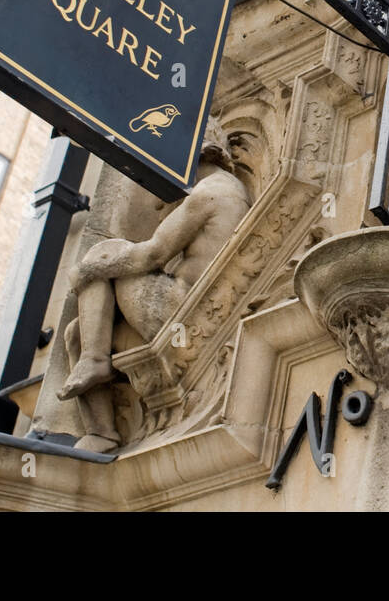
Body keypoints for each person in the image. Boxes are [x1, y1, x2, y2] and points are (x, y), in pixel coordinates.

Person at [57, 117, 251, 452]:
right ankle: (102, 431)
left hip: (187, 315)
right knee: (76, 332)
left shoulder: (212, 191)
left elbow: (151, 255)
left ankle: (96, 360)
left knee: (107, 253)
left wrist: (88, 270)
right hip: (179, 315)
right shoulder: (215, 190)